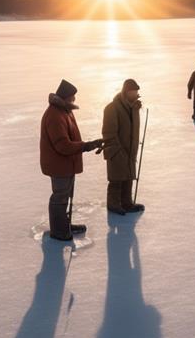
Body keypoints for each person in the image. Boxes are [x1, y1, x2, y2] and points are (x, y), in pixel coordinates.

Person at [40, 79, 103, 241]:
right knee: (59, 196)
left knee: (65, 195)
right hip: (58, 164)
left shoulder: (64, 111)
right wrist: (86, 146)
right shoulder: (55, 115)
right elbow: (62, 145)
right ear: (66, 96)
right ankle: (58, 231)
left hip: (66, 163)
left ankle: (64, 225)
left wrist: (88, 145)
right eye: (72, 97)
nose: (74, 100)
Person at [102, 78, 146, 215]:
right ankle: (113, 204)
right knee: (117, 178)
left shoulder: (134, 108)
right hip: (116, 150)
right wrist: (117, 150)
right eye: (133, 91)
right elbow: (109, 133)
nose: (135, 94)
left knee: (128, 177)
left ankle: (127, 203)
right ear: (126, 92)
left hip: (130, 149)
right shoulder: (112, 108)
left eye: (136, 92)